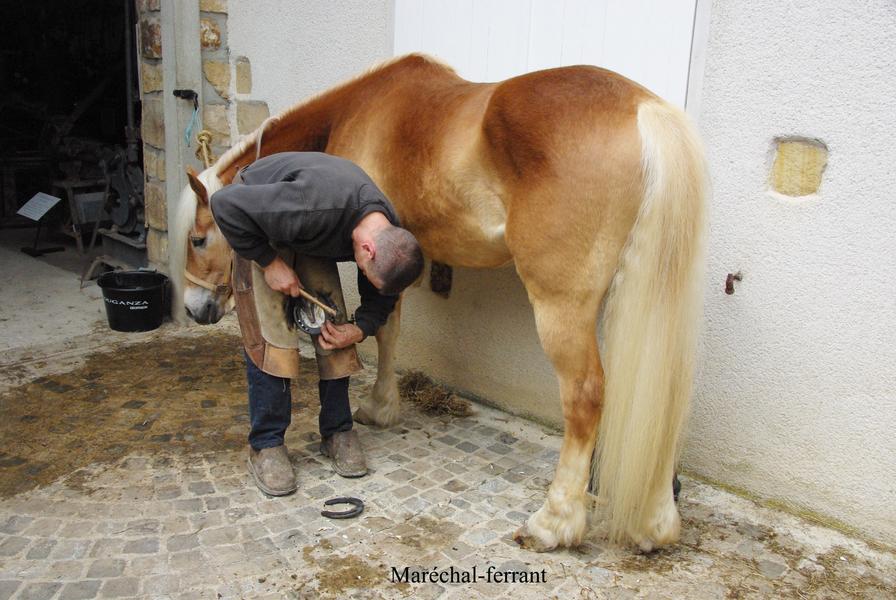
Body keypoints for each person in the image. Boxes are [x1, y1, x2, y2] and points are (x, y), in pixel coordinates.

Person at [210, 151, 423, 496]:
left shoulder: (389, 234)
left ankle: (337, 430)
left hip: (311, 229)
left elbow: (383, 290)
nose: (367, 277)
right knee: (273, 335)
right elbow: (225, 205)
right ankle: (266, 444)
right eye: (367, 272)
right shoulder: (310, 206)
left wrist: (361, 327)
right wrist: (269, 262)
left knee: (334, 324)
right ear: (367, 250)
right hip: (257, 218)